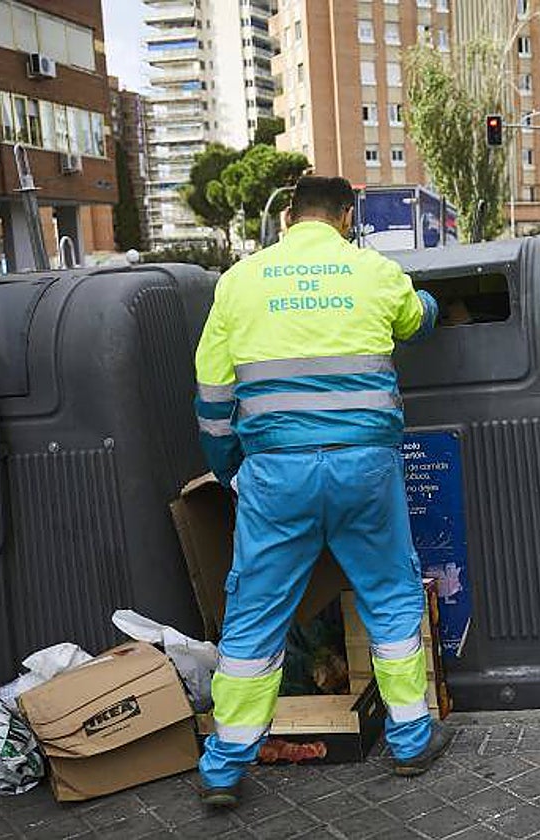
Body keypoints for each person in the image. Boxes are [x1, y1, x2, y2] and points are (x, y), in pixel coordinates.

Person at [192, 175, 445, 806]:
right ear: (346, 217)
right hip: (366, 468)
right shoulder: (372, 270)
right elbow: (417, 319)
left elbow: (213, 399)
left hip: (277, 472)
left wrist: (232, 470)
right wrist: (434, 306)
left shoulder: (239, 282)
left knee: (255, 615)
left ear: (287, 220)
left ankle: (224, 766)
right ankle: (412, 739)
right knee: (388, 594)